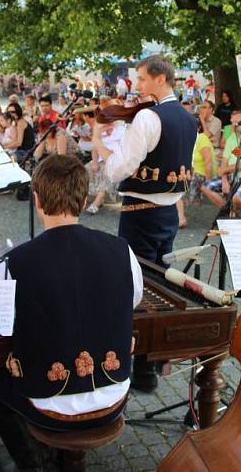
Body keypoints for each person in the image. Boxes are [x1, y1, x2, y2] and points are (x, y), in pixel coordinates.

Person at [0, 155, 142, 469]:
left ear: (37, 200)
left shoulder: (15, 261)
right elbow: (132, 299)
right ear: (82, 199)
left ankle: (33, 462)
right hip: (113, 392)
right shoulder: (122, 250)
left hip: (45, 399)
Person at [91, 55, 197, 393]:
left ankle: (135, 369)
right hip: (167, 212)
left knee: (136, 288)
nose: (136, 86)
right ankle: (149, 368)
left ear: (160, 79)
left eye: (142, 79)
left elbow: (123, 167)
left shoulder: (149, 117)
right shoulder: (187, 118)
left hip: (140, 212)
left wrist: (103, 152)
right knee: (160, 285)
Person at [201, 110, 241, 216]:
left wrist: (224, 171)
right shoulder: (232, 138)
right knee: (204, 187)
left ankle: (235, 211)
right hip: (232, 176)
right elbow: (225, 161)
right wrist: (224, 179)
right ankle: (227, 209)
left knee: (237, 198)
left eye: (236, 122)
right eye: (232, 122)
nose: (233, 125)